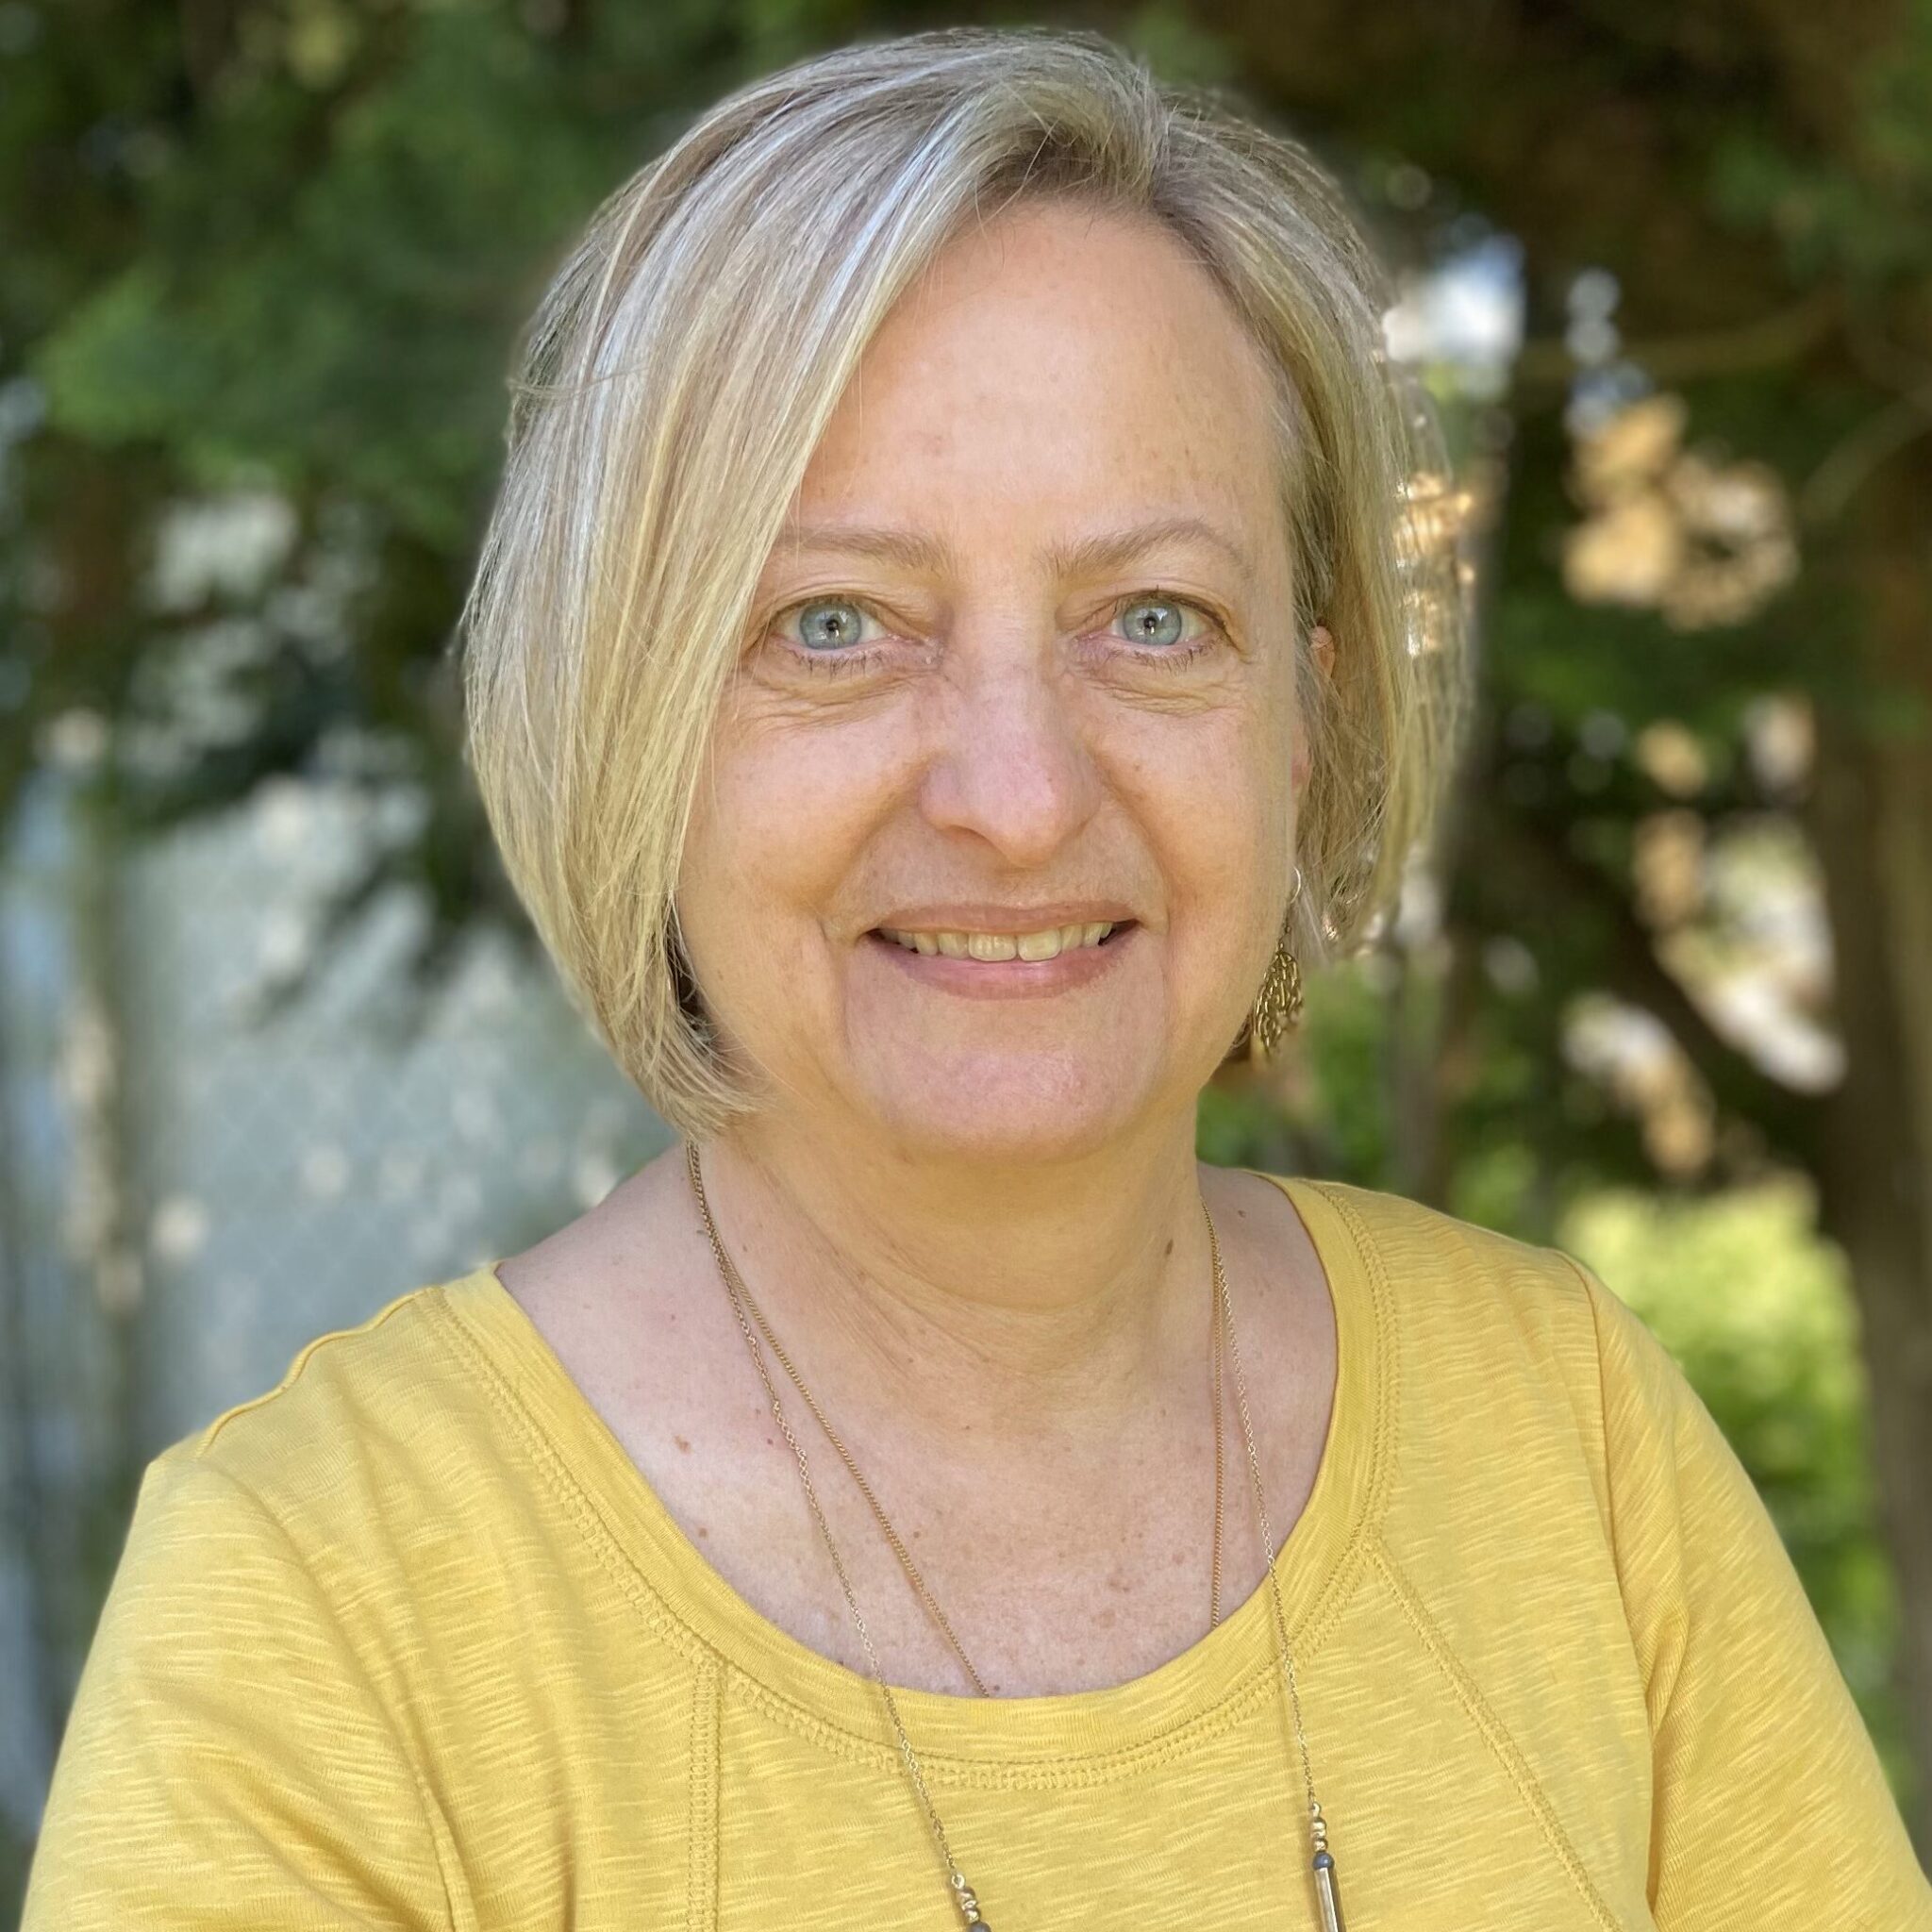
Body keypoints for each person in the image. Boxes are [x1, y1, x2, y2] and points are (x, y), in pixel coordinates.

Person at [23, 24, 1931, 1930]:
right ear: (633, 721)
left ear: (1306, 726)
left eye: (1154, 620)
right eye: (833, 625)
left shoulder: (1567, 1442)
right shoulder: (326, 1606)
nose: (1017, 798)